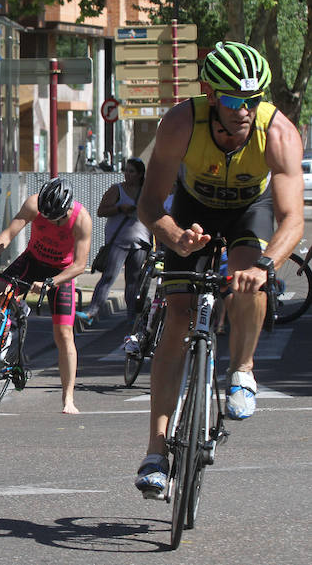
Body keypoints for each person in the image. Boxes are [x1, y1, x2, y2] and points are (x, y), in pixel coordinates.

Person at [133, 41, 304, 499]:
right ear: (210, 94)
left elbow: (293, 219)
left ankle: (243, 370)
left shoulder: (280, 132)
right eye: (232, 100)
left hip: (252, 209)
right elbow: (149, 203)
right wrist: (171, 235)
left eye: (253, 101)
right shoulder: (180, 123)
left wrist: (268, 266)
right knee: (178, 316)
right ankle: (155, 451)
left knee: (250, 280)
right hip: (192, 212)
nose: (244, 111)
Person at [0, 177, 92, 414]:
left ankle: (68, 398)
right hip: (32, 260)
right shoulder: (32, 204)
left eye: (56, 219)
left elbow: (79, 265)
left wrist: (51, 283)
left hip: (61, 272)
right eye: (45, 217)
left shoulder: (82, 219)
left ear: (67, 208)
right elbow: (8, 234)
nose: (51, 222)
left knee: (64, 333)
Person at [76, 157, 151, 324]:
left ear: (140, 174)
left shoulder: (146, 191)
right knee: (109, 276)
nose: (127, 174)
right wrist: (119, 208)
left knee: (133, 281)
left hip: (141, 243)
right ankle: (92, 312)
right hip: (118, 241)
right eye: (126, 170)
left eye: (131, 171)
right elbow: (101, 211)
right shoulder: (116, 189)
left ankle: (132, 318)